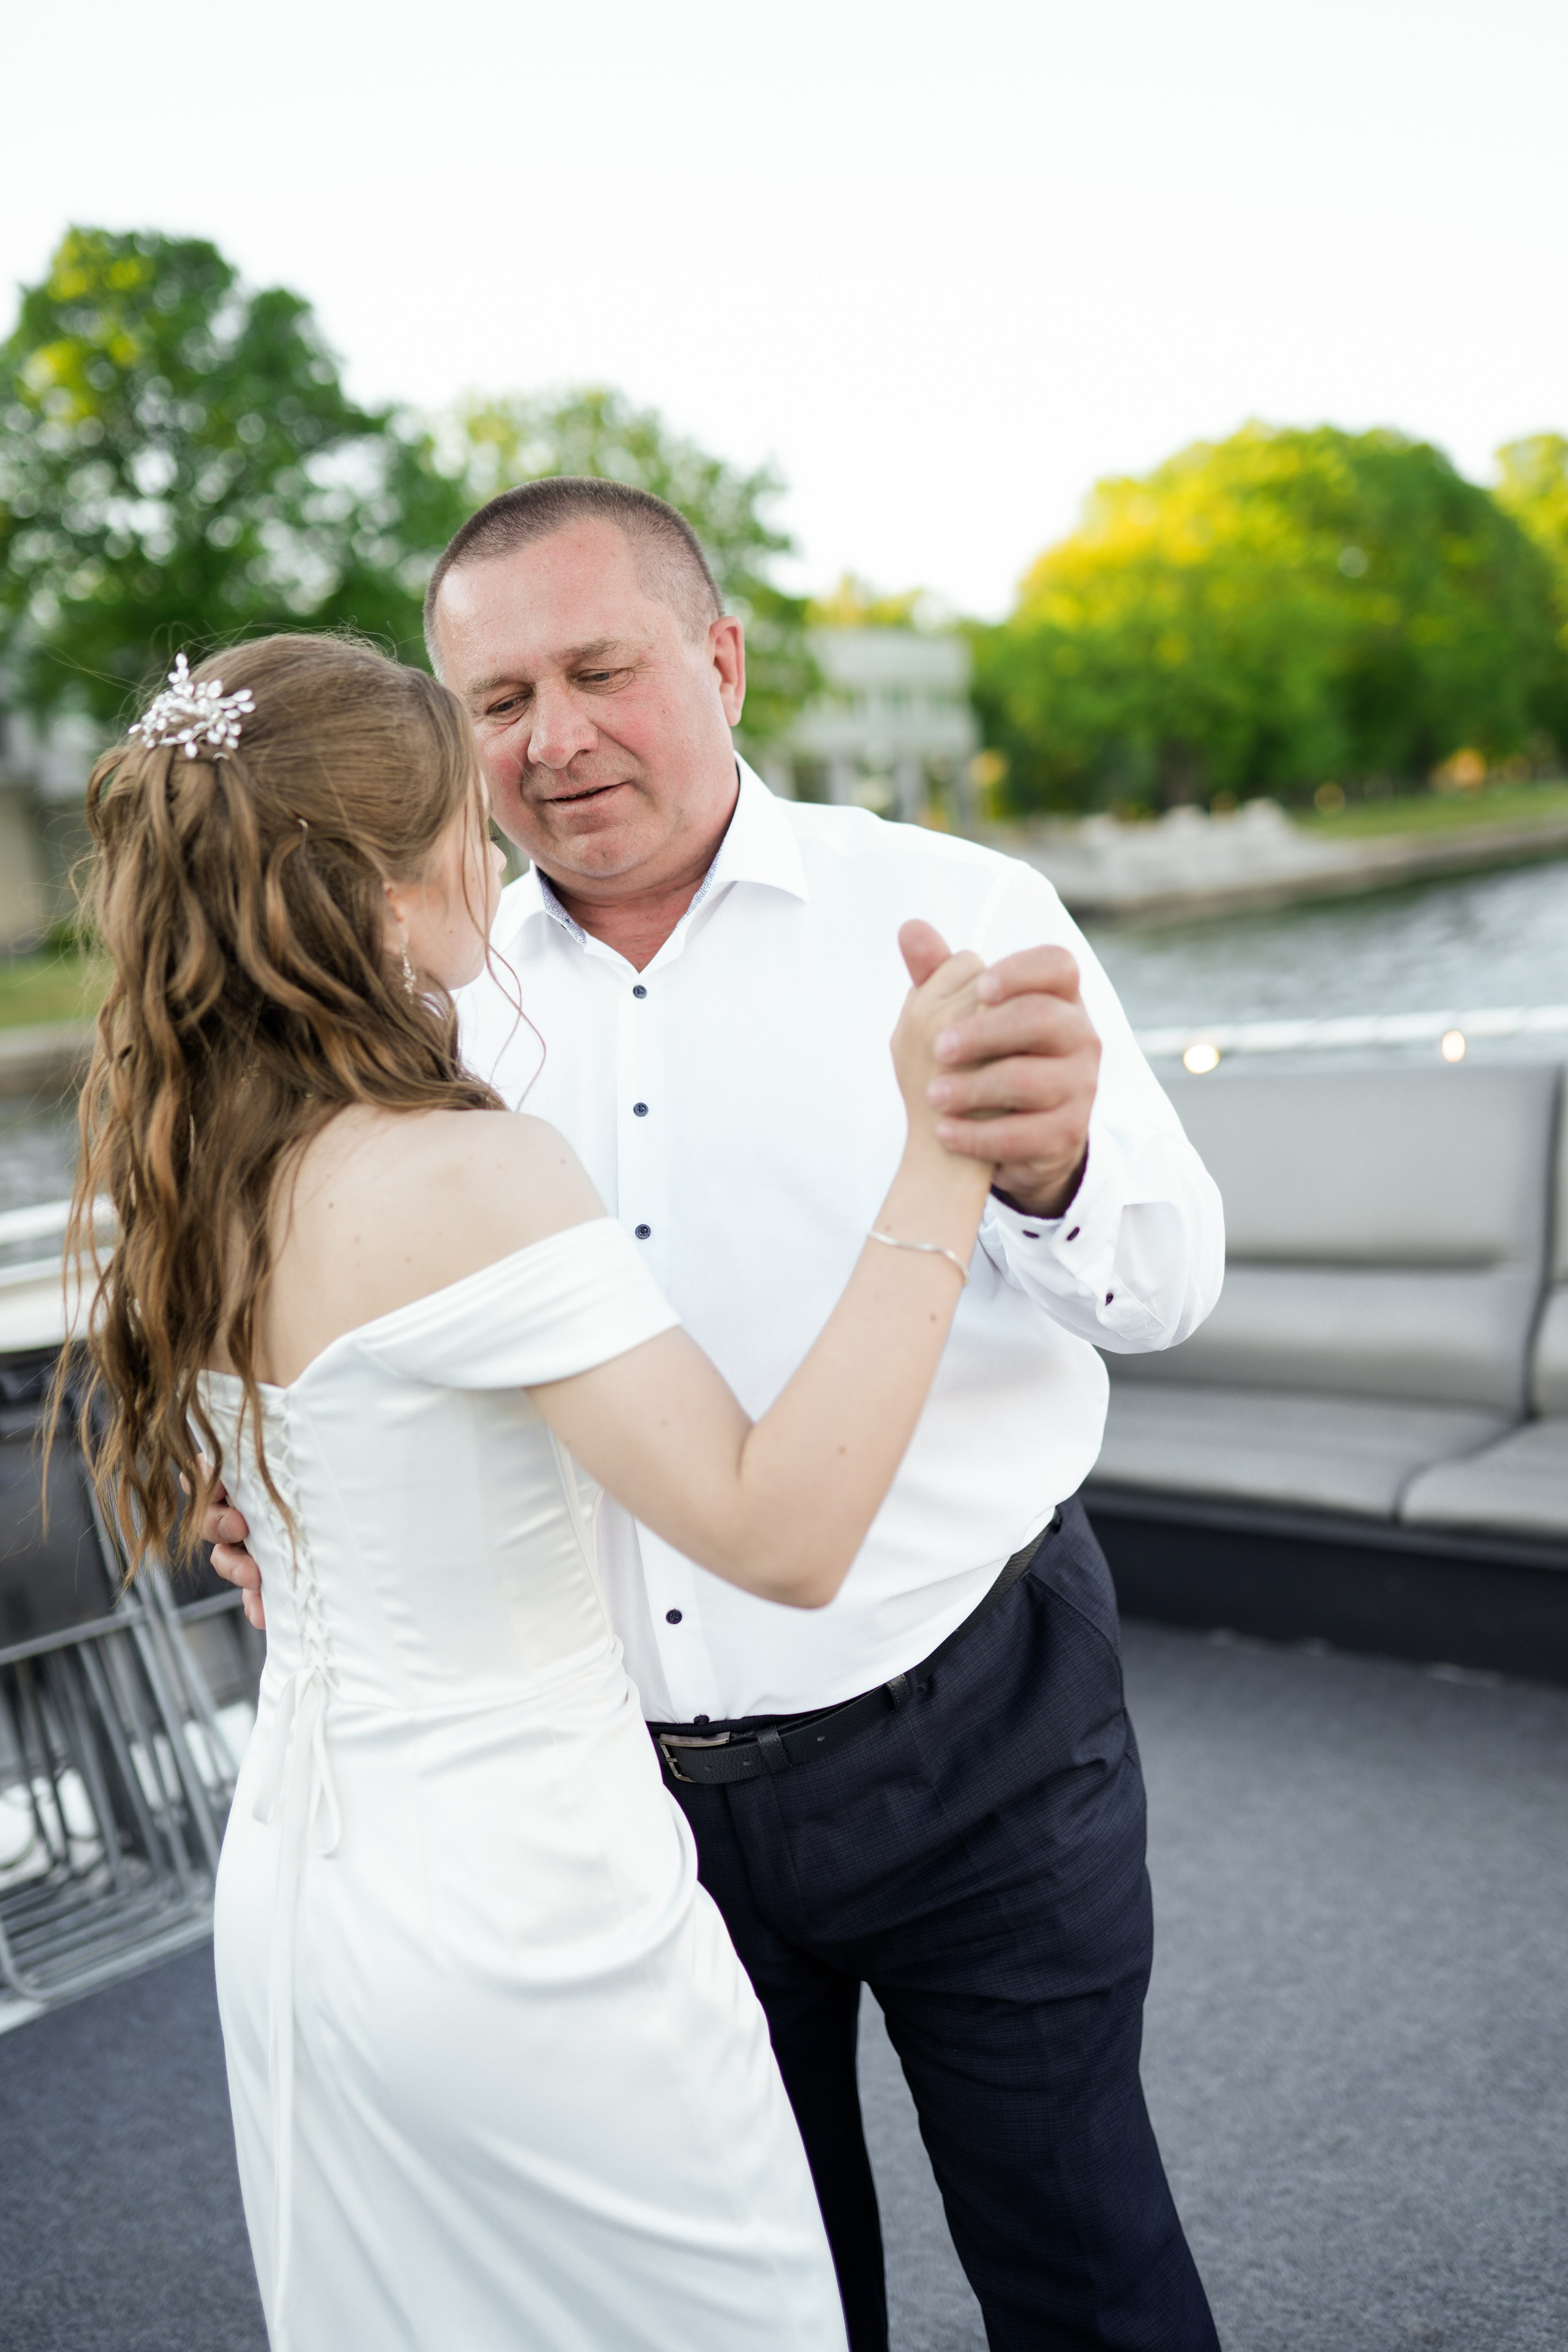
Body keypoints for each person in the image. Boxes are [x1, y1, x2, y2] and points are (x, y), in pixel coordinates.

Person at [210, 479, 1227, 2351]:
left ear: (723, 658)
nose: (556, 737)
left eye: (602, 669)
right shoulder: (409, 1010)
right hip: (614, 1817)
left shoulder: (960, 911)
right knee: (770, 2289)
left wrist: (1054, 1160)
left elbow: (1163, 1288)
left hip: (974, 1726)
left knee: (1086, 2260)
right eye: (498, 701)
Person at [65, 631, 1003, 2352]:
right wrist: (945, 1150)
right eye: (465, 823)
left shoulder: (198, 1165)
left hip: (304, 1885)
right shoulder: (470, 1168)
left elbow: (303, 1479)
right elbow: (779, 1532)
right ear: (397, 880)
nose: (494, 857)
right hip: (528, 1908)